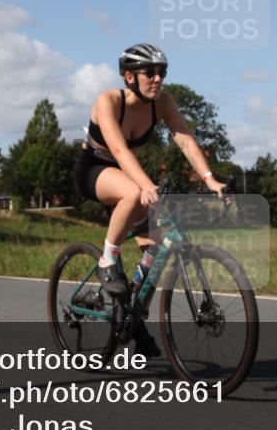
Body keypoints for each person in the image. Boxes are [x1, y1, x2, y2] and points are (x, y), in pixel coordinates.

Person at [74, 44, 226, 354]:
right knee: (132, 193)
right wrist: (145, 185)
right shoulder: (108, 101)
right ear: (129, 76)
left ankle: (132, 321)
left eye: (162, 72)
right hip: (95, 170)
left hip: (130, 174)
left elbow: (184, 137)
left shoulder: (163, 103)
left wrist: (210, 179)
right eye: (150, 73)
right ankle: (107, 260)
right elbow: (118, 151)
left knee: (154, 254)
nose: (158, 79)